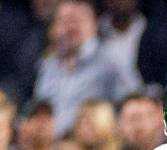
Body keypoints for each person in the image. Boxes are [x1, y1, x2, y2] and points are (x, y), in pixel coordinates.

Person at [33, 0, 138, 136]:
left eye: (77, 21)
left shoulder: (111, 61)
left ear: (94, 24)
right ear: (53, 29)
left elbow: (132, 102)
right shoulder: (48, 65)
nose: (71, 28)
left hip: (94, 146)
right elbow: (39, 107)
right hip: (50, 146)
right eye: (64, 21)